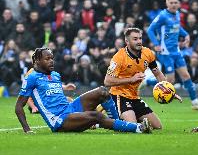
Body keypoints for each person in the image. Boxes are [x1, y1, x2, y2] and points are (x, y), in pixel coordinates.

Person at [15, 48, 151, 133]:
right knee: (96, 115)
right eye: (47, 59)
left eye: (52, 58)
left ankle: (119, 124)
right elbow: (19, 107)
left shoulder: (55, 75)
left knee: (102, 91)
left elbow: (51, 91)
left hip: (69, 108)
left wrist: (64, 87)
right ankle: (138, 128)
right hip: (59, 120)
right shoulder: (31, 78)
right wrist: (27, 130)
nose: (52, 61)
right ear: (38, 61)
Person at [104, 27, 182, 130]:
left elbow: (157, 73)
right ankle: (107, 118)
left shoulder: (148, 53)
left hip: (135, 97)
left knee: (158, 127)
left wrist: (169, 91)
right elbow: (107, 81)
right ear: (127, 41)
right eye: (135, 39)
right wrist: (130, 79)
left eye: (140, 38)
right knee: (133, 126)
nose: (139, 41)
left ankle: (127, 116)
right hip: (119, 96)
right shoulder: (119, 57)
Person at [147, 0, 198, 112]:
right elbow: (150, 29)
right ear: (167, 3)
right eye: (171, 3)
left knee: (186, 75)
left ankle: (195, 102)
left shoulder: (177, 14)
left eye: (176, 2)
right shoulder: (163, 15)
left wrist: (186, 35)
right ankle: (148, 81)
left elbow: (178, 28)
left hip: (176, 51)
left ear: (179, 3)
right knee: (170, 80)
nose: (174, 5)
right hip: (165, 52)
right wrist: (156, 44)